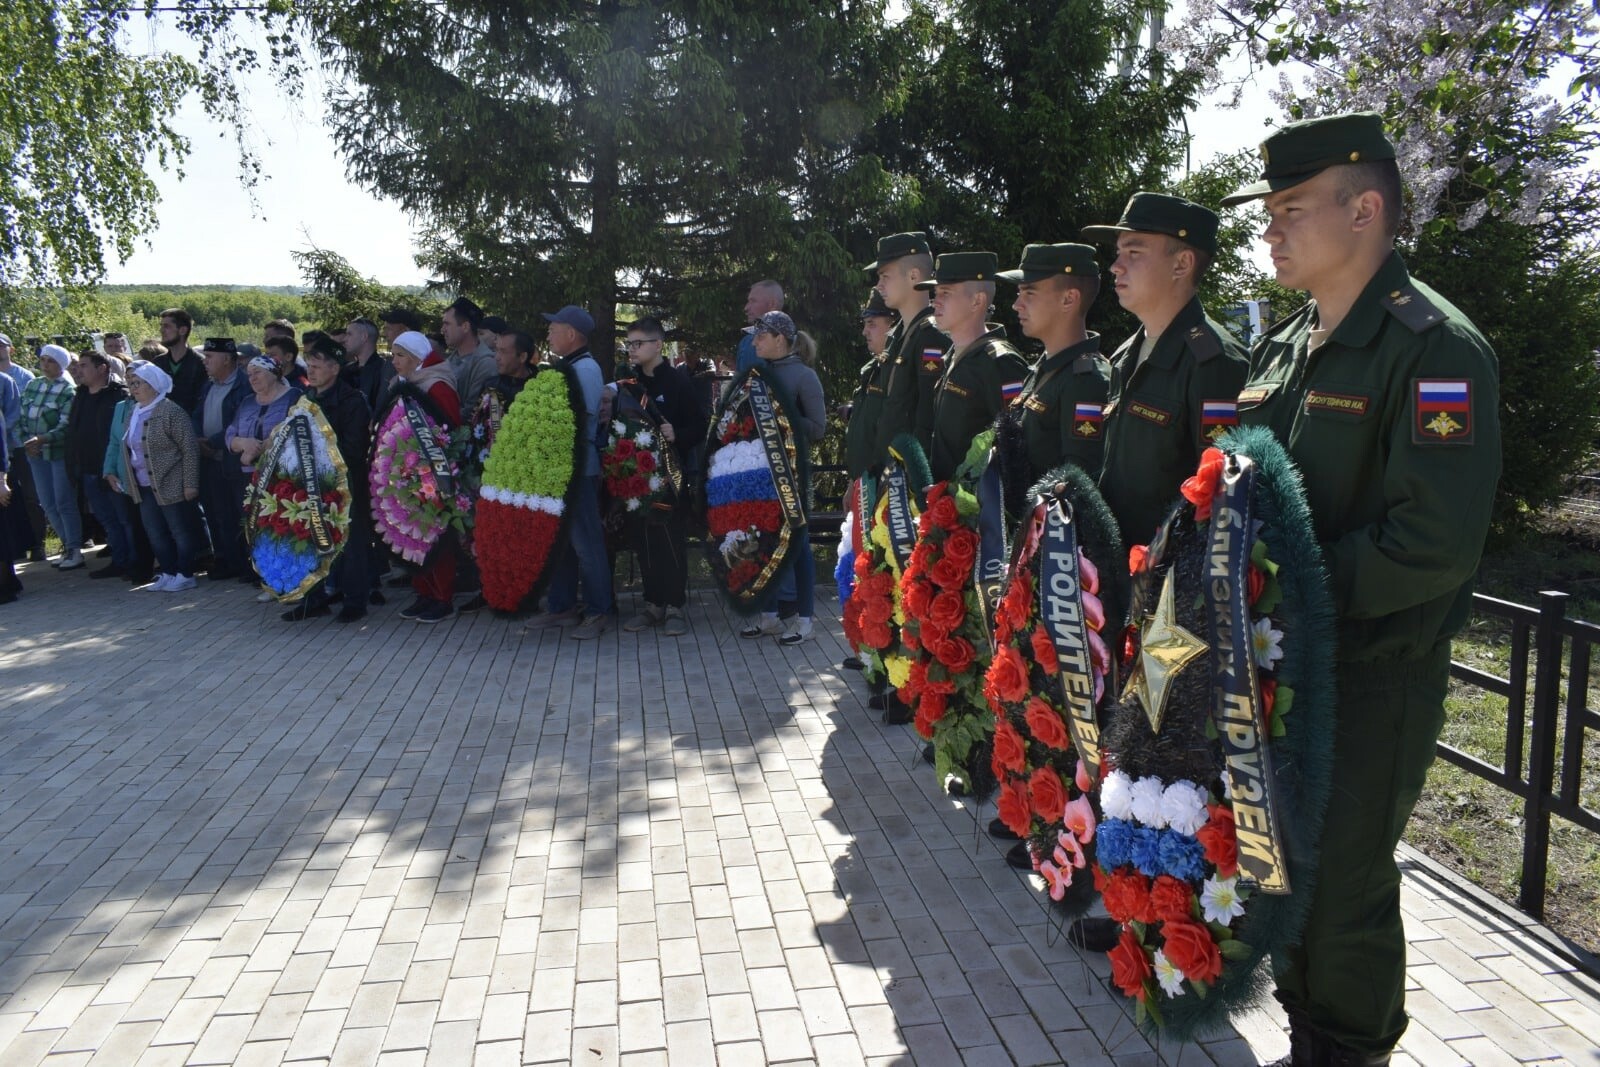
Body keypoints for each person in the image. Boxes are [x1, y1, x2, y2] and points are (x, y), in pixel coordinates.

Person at [1221, 112, 1502, 1067]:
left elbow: (1432, 541)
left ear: (1366, 208)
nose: (1271, 231)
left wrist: (1286, 586)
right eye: (1268, 213)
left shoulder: (1434, 350)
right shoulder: (1286, 347)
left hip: (1374, 672)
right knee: (1287, 865)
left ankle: (1351, 1047)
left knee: (1343, 880)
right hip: (1284, 664)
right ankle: (1311, 1033)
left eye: (1292, 209)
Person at [1082, 192, 1251, 550]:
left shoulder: (1214, 362)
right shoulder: (1128, 353)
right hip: (1116, 571)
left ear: (1182, 264)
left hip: (1167, 588)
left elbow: (1223, 501)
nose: (1115, 266)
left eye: (1134, 252)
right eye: (1118, 253)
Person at [735, 311, 826, 644]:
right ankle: (770, 616)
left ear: (779, 338)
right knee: (761, 543)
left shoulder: (804, 377)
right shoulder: (755, 375)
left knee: (798, 548)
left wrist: (781, 414)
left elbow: (818, 428)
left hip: (791, 474)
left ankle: (804, 620)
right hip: (760, 474)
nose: (754, 341)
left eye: (760, 336)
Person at [525, 305, 615, 639]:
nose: (548, 333)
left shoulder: (586, 369)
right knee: (560, 543)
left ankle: (598, 611)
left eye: (554, 327)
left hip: (578, 469)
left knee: (587, 544)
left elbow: (577, 421)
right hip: (560, 469)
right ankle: (562, 607)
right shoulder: (570, 367)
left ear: (572, 334)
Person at [617, 317, 709, 636]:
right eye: (629, 344)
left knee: (670, 540)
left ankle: (674, 606)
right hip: (635, 476)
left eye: (638, 343)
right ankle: (653, 604)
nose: (633, 349)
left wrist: (677, 434)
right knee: (643, 539)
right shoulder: (627, 383)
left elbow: (700, 425)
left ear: (658, 344)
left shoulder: (679, 381)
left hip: (671, 478)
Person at [998, 243, 1112, 485]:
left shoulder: (1087, 381)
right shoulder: (1044, 368)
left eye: (1029, 293)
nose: (1016, 304)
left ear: (1069, 299)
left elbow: (1077, 487)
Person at [917, 251, 1031, 482]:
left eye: (945, 293)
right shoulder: (952, 356)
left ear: (977, 301)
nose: (935, 301)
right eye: (935, 293)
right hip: (945, 507)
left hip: (978, 510)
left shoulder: (999, 362)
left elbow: (1015, 448)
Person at [292, 331, 373, 624]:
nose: (310, 371)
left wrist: (317, 452)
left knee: (350, 545)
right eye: (309, 365)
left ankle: (355, 601)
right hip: (310, 485)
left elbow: (354, 449)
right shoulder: (305, 399)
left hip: (344, 485)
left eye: (317, 365)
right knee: (309, 539)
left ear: (335, 369)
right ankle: (313, 598)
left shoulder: (353, 401)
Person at [382, 330, 462, 623]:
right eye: (393, 355)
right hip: (405, 472)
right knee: (413, 533)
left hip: (434, 473)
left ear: (418, 358)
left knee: (435, 534)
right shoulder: (401, 384)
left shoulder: (437, 385)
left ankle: (442, 596)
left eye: (401, 355)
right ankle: (424, 591)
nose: (395, 361)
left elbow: (450, 427)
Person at [111, 362, 203, 591]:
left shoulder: (171, 411)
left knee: (179, 531)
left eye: (138, 383)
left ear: (153, 384)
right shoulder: (133, 412)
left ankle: (185, 573)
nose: (133, 388)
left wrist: (190, 483)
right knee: (155, 532)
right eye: (131, 383)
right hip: (143, 485)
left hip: (171, 482)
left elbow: (189, 449)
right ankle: (168, 571)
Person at [867, 232, 947, 463]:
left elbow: (927, 419)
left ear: (913, 276)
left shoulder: (931, 337)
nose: (879, 285)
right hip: (888, 471)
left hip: (908, 479)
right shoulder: (898, 336)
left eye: (885, 276)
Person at [65, 349, 138, 580]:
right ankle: (119, 560)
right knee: (107, 518)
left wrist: (115, 467)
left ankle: (136, 560)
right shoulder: (81, 395)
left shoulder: (119, 395)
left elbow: (120, 436)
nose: (79, 370)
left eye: (85, 365)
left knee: (125, 518)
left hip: (114, 469)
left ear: (102, 368)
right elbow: (73, 430)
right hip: (88, 468)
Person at [19, 344, 84, 569]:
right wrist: (28, 441)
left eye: (51, 361)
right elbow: (22, 417)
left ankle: (75, 549)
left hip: (58, 453)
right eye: (43, 360)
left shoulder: (68, 389)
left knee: (63, 501)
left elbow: (66, 425)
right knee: (47, 503)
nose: (46, 365)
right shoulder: (32, 385)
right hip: (34, 453)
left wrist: (43, 439)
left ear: (61, 364)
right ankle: (67, 546)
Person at [193, 338, 252, 581]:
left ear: (227, 359)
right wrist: (198, 439)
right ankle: (226, 560)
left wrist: (213, 442)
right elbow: (197, 415)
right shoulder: (208, 385)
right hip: (210, 460)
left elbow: (240, 421)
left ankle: (248, 564)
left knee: (240, 513)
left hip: (234, 460)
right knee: (218, 514)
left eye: (209, 357)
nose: (205, 362)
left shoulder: (245, 385)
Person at [839, 290, 899, 478]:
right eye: (865, 324)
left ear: (893, 326)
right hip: (864, 484)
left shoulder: (899, 370)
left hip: (887, 485)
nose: (865, 331)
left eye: (871, 324)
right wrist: (852, 484)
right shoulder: (873, 368)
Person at [440, 296, 498, 416]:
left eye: (447, 324)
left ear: (465, 327)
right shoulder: (449, 361)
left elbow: (471, 413)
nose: (442, 330)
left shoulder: (487, 363)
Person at [337, 316, 394, 419]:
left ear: (364, 337)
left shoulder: (384, 372)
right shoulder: (345, 370)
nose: (345, 339)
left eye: (349, 334)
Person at [156, 309, 207, 414]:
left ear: (183, 330)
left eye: (167, 326)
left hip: (190, 426)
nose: (161, 330)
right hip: (161, 426)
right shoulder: (157, 364)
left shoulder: (201, 364)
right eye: (161, 326)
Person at [735, 280, 784, 374]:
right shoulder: (746, 342)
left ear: (772, 304)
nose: (746, 308)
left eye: (753, 301)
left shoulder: (793, 344)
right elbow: (739, 384)